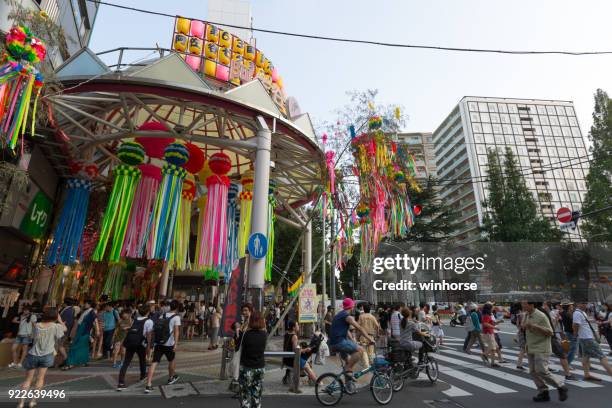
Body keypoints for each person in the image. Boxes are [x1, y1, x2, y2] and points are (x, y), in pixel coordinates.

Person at [18, 308, 66, 408]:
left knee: (27, 380)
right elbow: (64, 330)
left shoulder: (37, 325)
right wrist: (60, 321)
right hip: (47, 355)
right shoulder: (56, 326)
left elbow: (32, 337)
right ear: (55, 317)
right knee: (40, 379)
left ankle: (21, 403)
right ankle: (32, 401)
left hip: (33, 354)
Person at [522, 301, 568, 402]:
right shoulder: (526, 314)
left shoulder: (541, 315)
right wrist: (524, 326)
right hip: (530, 345)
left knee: (542, 371)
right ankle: (543, 392)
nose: (523, 306)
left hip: (541, 346)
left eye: (525, 304)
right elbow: (524, 327)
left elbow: (550, 332)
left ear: (531, 305)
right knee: (533, 371)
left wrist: (535, 326)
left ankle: (560, 386)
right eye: (522, 303)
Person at [328, 298, 375, 379]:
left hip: (333, 342)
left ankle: (348, 384)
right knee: (360, 351)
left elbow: (346, 331)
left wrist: (353, 341)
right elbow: (359, 328)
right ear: (351, 307)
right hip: (339, 342)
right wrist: (370, 339)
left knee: (348, 361)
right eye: (353, 306)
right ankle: (347, 369)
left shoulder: (339, 315)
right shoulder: (348, 317)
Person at [145, 299, 181, 393]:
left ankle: (148, 384)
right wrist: (176, 344)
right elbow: (176, 331)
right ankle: (170, 378)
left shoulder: (162, 315)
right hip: (169, 344)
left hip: (159, 343)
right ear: (177, 307)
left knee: (154, 362)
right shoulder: (176, 317)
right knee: (172, 360)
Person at [573, 301, 612, 381]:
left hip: (585, 338)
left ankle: (586, 375)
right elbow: (575, 325)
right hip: (587, 338)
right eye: (583, 303)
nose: (585, 305)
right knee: (602, 356)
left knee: (586, 356)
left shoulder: (581, 312)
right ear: (578, 304)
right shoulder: (577, 313)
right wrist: (575, 334)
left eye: (586, 303)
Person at [118, 305, 152, 391]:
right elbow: (148, 335)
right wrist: (149, 347)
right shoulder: (149, 321)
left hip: (130, 342)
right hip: (140, 343)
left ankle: (120, 382)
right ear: (148, 312)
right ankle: (142, 376)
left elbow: (133, 328)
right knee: (142, 360)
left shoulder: (135, 319)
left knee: (126, 362)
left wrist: (127, 328)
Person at [238, 312, 267, 408]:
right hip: (260, 367)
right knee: (257, 395)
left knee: (245, 395)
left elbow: (238, 346)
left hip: (247, 367)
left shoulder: (245, 335)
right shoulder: (264, 335)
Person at [63, 300, 98, 370]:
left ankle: (70, 364)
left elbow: (95, 321)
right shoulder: (86, 311)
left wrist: (98, 330)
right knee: (83, 347)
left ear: (89, 304)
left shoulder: (91, 312)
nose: (84, 304)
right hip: (82, 331)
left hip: (84, 331)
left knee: (74, 346)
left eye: (86, 303)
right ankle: (83, 361)